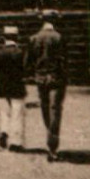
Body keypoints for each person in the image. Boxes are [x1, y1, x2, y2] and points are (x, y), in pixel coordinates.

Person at [27, 10, 67, 160]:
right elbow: (64, 59)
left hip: (40, 78)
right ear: (55, 21)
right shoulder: (59, 37)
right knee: (55, 109)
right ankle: (53, 145)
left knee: (44, 107)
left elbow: (29, 61)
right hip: (56, 77)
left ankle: (49, 136)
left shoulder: (34, 38)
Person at [0, 25, 28, 151]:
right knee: (17, 113)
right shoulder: (22, 54)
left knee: (4, 113)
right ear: (17, 38)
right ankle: (15, 142)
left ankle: (4, 132)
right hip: (17, 87)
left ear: (3, 37)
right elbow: (27, 70)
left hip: (1, 87)